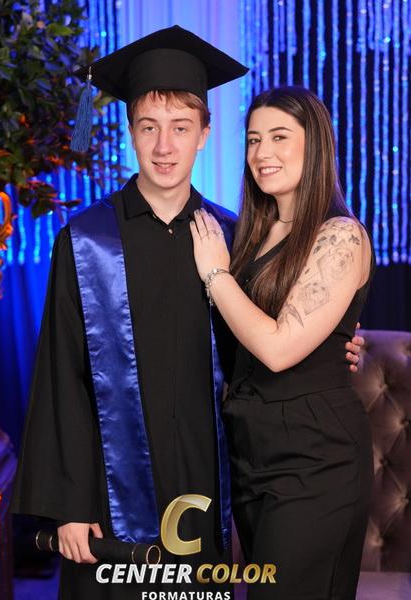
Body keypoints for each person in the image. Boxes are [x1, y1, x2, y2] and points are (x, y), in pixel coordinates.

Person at [11, 29, 363, 599]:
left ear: (204, 134)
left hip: (208, 482)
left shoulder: (235, 238)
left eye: (180, 128)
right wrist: (69, 505)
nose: (164, 147)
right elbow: (61, 377)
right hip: (109, 493)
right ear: (131, 132)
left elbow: (279, 331)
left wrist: (342, 342)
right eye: (148, 127)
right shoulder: (86, 241)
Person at [190, 86, 374, 599]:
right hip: (252, 452)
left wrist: (215, 276)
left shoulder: (341, 234)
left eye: (278, 137)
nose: (261, 153)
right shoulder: (252, 233)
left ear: (315, 144)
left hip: (316, 457)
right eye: (253, 140)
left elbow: (277, 349)